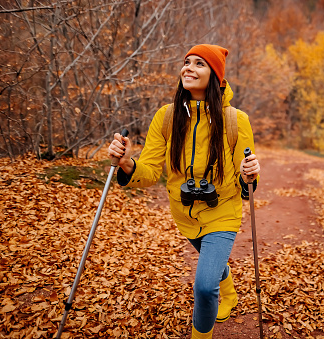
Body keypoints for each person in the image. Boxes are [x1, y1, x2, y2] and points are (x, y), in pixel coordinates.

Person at [108, 44, 260, 339]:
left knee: (204, 285)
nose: (188, 67)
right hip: (184, 215)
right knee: (212, 267)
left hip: (222, 213)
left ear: (215, 76)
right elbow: (150, 171)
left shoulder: (235, 120)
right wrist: (127, 163)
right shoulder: (166, 117)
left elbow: (248, 182)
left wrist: (248, 174)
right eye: (187, 62)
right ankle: (229, 294)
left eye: (199, 64)